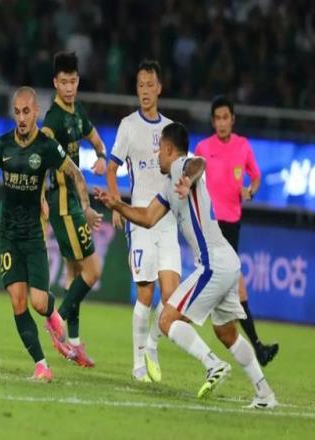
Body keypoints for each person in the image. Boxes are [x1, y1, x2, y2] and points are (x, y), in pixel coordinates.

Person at [95, 122, 277, 409]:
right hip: (228, 263)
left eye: (159, 150)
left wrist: (189, 179)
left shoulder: (182, 167)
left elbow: (199, 163)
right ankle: (265, 394)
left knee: (167, 320)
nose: (157, 155)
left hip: (213, 265)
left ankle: (212, 364)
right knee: (227, 333)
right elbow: (147, 217)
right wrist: (116, 205)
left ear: (169, 149)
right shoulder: (170, 185)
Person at [0, 86, 102, 381]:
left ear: (36, 111)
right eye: (17, 112)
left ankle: (53, 316)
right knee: (17, 301)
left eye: (27, 111)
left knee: (38, 302)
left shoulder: (46, 146)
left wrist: (86, 208)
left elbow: (75, 173)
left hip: (34, 236)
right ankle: (41, 366)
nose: (22, 118)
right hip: (9, 235)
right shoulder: (2, 145)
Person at [106, 59, 181, 383]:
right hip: (139, 219)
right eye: (140, 85)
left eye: (150, 85)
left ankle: (152, 345)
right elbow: (112, 168)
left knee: (172, 298)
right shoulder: (128, 126)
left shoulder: (171, 129)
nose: (145, 91)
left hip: (167, 221)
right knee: (146, 294)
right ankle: (138, 364)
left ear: (159, 88)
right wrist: (116, 203)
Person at [194, 95, 279, 367]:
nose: (221, 123)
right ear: (213, 121)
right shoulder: (203, 148)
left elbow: (256, 176)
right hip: (211, 224)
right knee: (234, 285)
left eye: (225, 118)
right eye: (217, 118)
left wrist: (250, 191)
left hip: (232, 225)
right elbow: (191, 177)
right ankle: (258, 348)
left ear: (233, 120)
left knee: (228, 286)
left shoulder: (243, 146)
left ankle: (171, 322)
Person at [41, 51, 107, 367]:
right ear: (55, 83)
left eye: (73, 81)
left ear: (78, 81)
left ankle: (76, 346)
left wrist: (102, 156)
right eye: (63, 82)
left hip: (72, 204)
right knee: (93, 271)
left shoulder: (78, 112)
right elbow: (40, 158)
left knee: (74, 275)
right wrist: (40, 198)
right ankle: (57, 321)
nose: (69, 87)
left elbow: (97, 140)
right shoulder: (52, 120)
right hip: (64, 205)